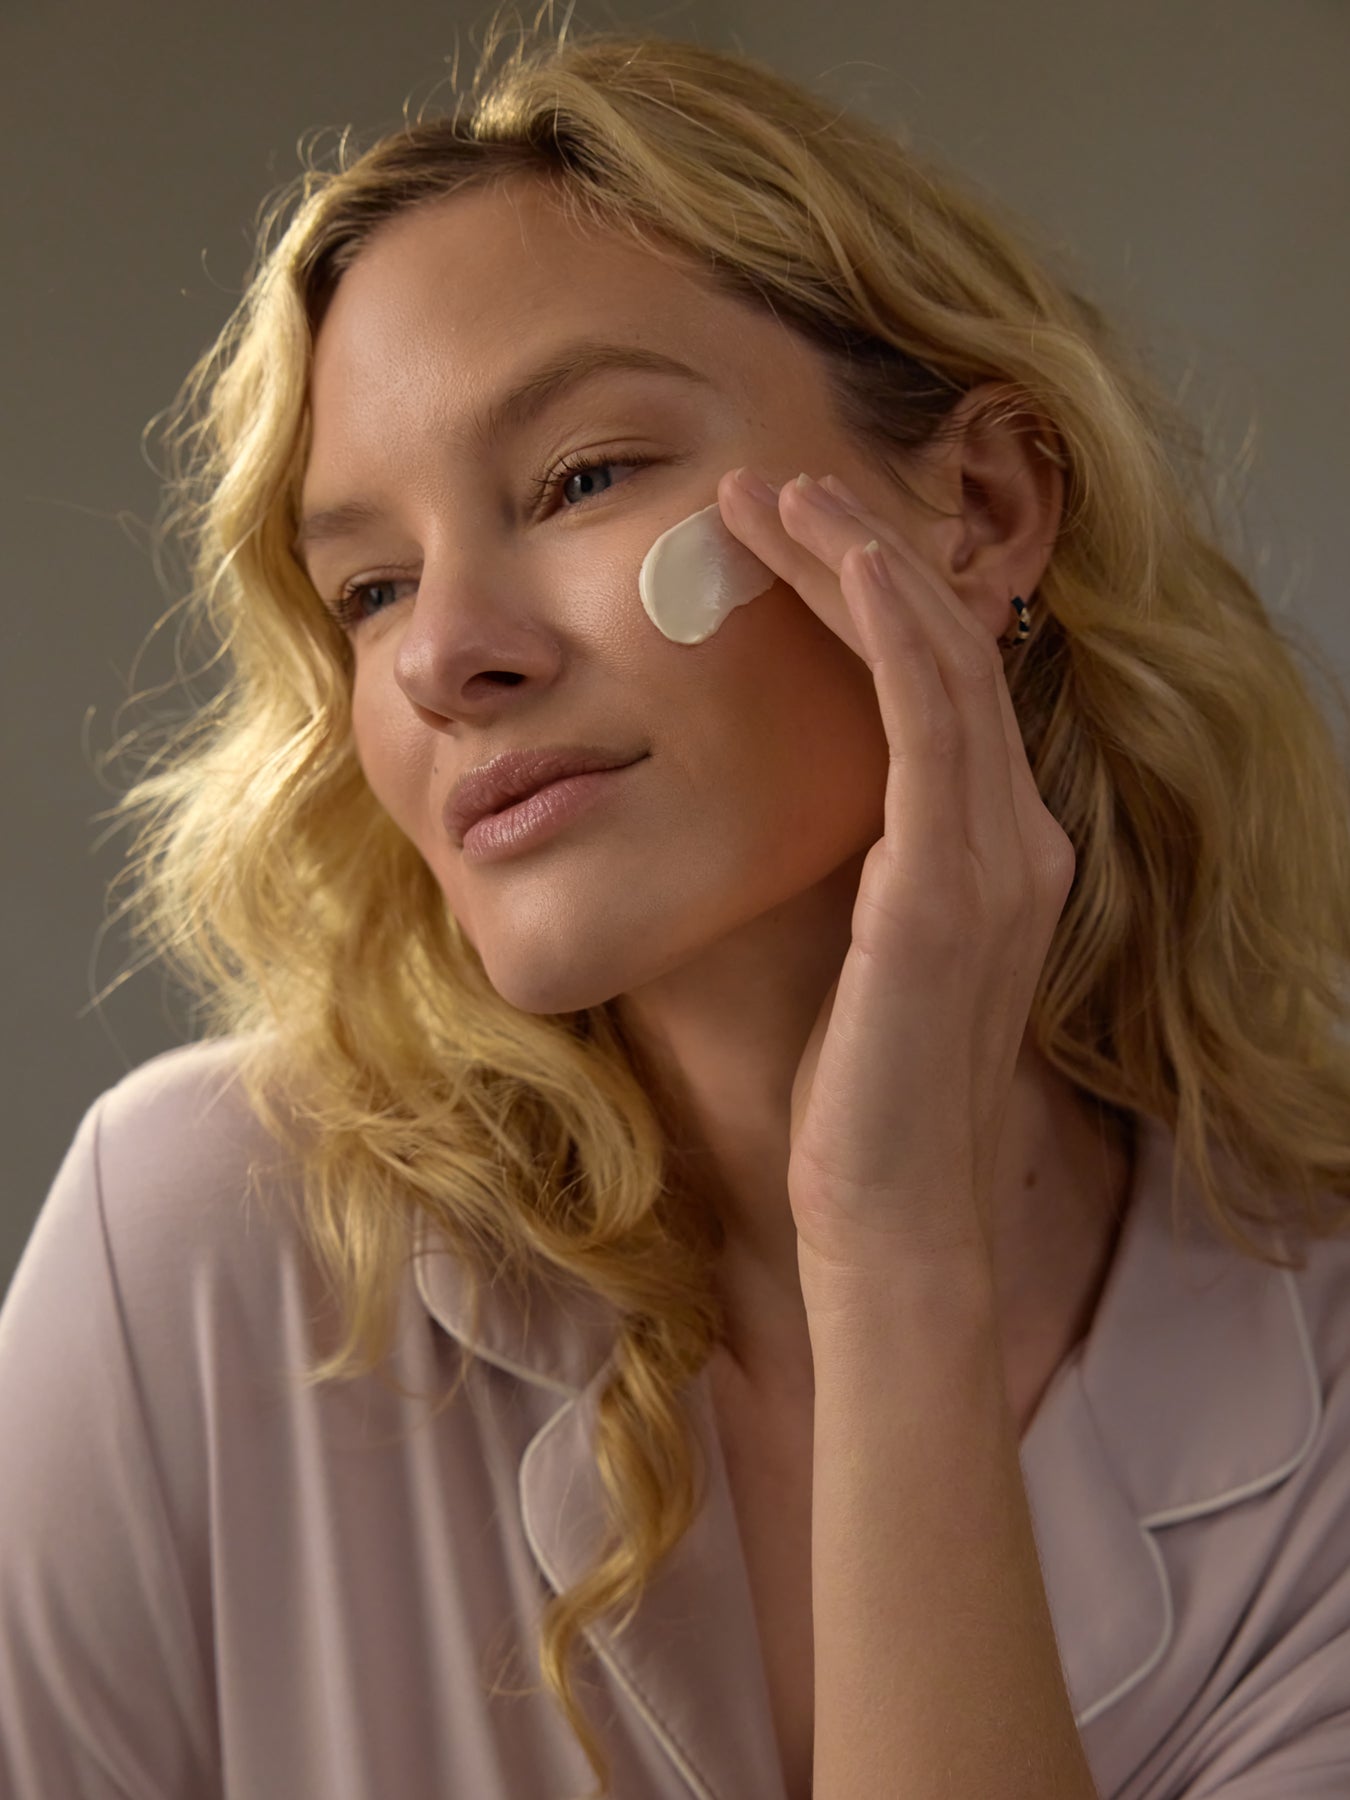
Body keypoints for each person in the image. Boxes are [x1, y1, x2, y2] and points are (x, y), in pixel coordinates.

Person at [3, 17, 1349, 1800]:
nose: (444, 659)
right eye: (370, 585)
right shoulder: (195, 1245)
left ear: (979, 506)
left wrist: (892, 1256)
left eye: (579, 478)